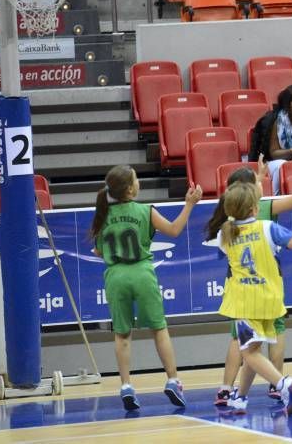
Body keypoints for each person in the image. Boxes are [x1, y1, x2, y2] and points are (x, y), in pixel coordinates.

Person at [89, 164, 202, 411]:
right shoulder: (145, 211)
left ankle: (126, 386)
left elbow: (98, 250)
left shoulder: (103, 214)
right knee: (159, 329)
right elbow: (174, 230)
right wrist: (190, 204)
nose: (139, 182)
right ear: (130, 189)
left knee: (122, 334)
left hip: (116, 276)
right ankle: (173, 380)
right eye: (137, 179)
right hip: (141, 272)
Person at [208, 148, 292, 406]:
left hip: (244, 295)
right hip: (269, 290)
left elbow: (227, 245)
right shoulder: (267, 223)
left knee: (246, 348)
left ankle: (281, 383)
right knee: (256, 344)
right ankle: (241, 396)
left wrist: (259, 178)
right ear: (253, 201)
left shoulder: (225, 232)